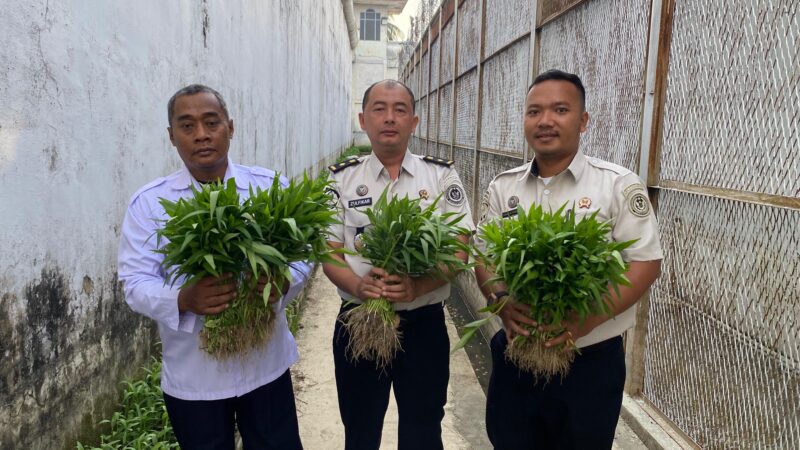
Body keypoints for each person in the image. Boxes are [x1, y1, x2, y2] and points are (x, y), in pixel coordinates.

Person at [476, 70, 663, 449]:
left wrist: (586, 319)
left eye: (560, 110)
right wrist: (500, 300)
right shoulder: (503, 187)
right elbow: (483, 254)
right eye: (534, 111)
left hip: (589, 362)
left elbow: (644, 263)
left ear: (583, 121)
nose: (545, 121)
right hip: (518, 353)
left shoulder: (616, 184)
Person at [118, 84, 308, 450]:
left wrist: (284, 281)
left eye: (211, 122)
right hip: (195, 378)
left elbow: (302, 252)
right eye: (187, 126)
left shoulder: (267, 187)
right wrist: (183, 298)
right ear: (171, 136)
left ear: (230, 128)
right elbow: (134, 282)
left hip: (264, 366)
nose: (201, 135)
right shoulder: (150, 204)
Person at [322, 79, 474, 450]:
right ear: (363, 119)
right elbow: (328, 253)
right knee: (360, 430)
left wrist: (418, 286)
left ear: (414, 121)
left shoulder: (440, 176)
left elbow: (459, 248)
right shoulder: (341, 179)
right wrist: (358, 286)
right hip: (360, 320)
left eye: (400, 109)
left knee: (423, 431)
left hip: (422, 326)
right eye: (379, 109)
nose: (389, 118)